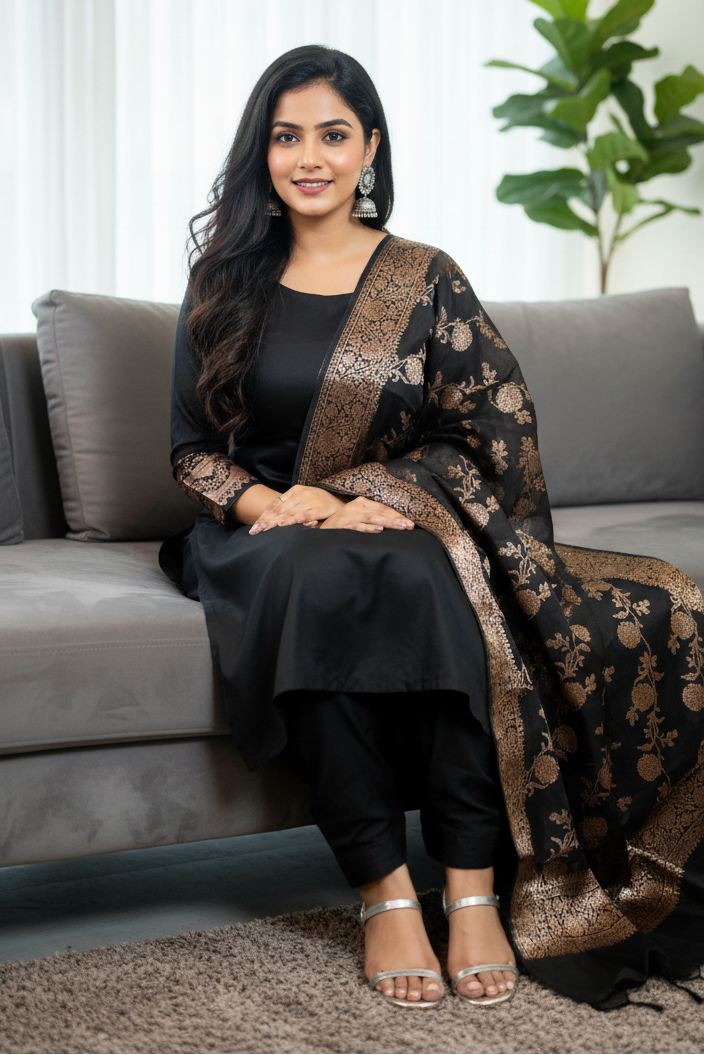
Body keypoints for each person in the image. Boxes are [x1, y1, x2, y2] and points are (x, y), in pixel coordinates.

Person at [159, 44, 704, 1011]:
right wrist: (276, 505)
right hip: (255, 539)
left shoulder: (424, 277)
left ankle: (469, 880)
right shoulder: (225, 280)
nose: (310, 156)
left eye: (333, 133)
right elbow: (193, 451)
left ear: (370, 146)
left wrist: (364, 492)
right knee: (303, 577)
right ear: (262, 151)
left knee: (433, 579)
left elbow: (493, 431)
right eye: (287, 136)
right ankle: (381, 887)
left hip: (402, 523)